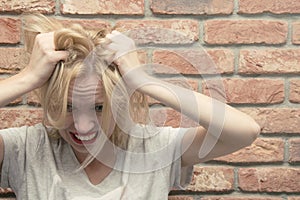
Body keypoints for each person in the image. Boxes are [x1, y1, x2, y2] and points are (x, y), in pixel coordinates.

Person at [0, 13, 261, 199]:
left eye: (99, 108)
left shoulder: (153, 148)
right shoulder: (26, 149)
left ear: (119, 103)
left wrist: (143, 80)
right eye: (69, 107)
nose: (82, 125)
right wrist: (28, 78)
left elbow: (245, 131)